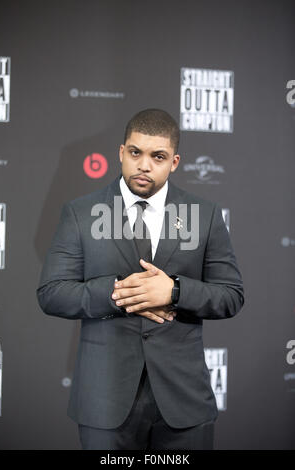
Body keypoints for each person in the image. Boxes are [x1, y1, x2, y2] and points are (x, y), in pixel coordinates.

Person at [36, 108, 244, 450]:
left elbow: (231, 295)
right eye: (135, 153)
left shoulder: (205, 215)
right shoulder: (81, 213)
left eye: (157, 156)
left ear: (174, 162)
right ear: (121, 153)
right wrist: (119, 293)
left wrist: (174, 291)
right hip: (104, 401)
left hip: (183, 402)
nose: (144, 165)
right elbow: (51, 293)